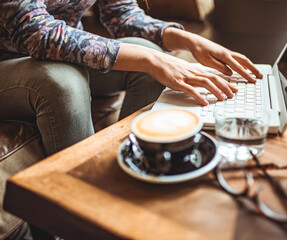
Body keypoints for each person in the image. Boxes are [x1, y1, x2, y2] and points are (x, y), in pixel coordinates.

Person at [0, 0, 262, 156]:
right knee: (62, 80)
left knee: (147, 54)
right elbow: (36, 34)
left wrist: (189, 41)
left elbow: (123, 16)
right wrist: (152, 60)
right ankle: (77, 205)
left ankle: (129, 163)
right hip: (8, 64)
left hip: (56, 54)